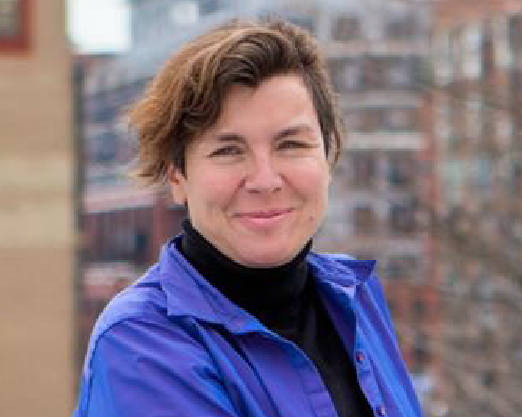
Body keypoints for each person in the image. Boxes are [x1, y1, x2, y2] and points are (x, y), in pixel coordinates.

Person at [73, 18, 425, 417]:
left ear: (328, 156)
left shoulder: (355, 298)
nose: (265, 181)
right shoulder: (141, 346)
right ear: (177, 177)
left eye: (291, 145)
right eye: (228, 151)